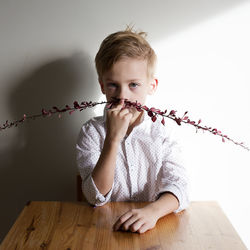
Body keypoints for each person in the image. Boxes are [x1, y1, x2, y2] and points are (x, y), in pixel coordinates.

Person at [76, 26, 189, 234]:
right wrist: (112, 138)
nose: (122, 96)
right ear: (102, 86)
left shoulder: (163, 132)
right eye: (113, 85)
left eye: (134, 84)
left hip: (155, 230)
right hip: (104, 231)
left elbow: (179, 186)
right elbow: (94, 196)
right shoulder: (91, 132)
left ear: (151, 85)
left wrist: (153, 212)